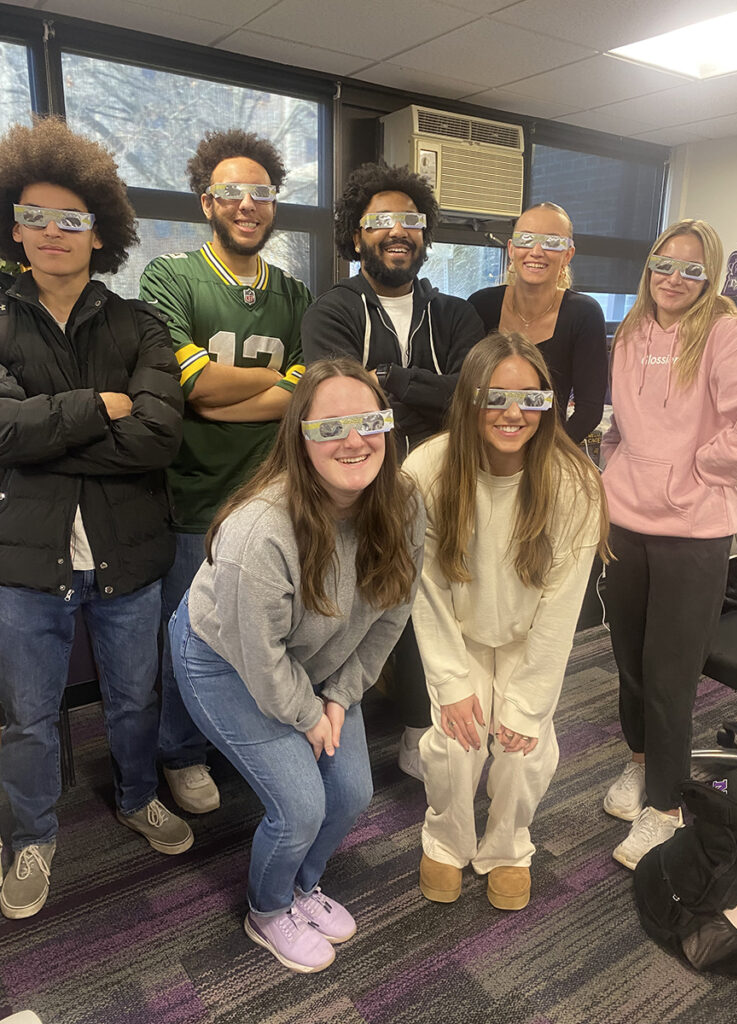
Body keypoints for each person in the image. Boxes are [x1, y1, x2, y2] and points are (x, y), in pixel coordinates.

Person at [168, 358, 425, 973]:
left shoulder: (404, 504)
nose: (354, 440)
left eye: (369, 421)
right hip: (225, 660)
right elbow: (258, 656)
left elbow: (392, 614)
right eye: (330, 426)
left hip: (318, 659)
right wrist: (309, 715)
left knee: (353, 793)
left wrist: (340, 695)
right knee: (301, 805)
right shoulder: (261, 531)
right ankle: (268, 908)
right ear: (299, 435)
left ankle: (303, 887)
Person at [0, 117, 189, 920]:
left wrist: (44, 436)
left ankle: (139, 794)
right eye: (37, 216)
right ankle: (30, 838)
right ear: (14, 226)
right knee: (27, 715)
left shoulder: (140, 323)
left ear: (100, 231)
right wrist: (97, 406)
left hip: (127, 552)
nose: (53, 232)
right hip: (25, 561)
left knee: (135, 701)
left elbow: (157, 436)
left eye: (72, 219)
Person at [404, 332, 609, 910]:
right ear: (469, 398)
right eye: (496, 398)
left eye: (531, 400)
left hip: (527, 641)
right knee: (455, 742)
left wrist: (528, 700)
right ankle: (446, 840)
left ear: (550, 404)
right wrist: (450, 681)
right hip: (459, 634)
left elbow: (562, 608)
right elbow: (427, 588)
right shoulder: (429, 467)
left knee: (523, 748)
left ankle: (507, 848)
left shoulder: (574, 483)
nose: (514, 414)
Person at [139, 130, 311, 815]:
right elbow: (192, 388)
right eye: (232, 192)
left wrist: (221, 389)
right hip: (193, 502)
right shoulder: (170, 277)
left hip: (273, 500)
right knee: (189, 636)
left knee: (268, 632)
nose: (248, 204)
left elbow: (299, 396)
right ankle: (182, 754)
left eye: (262, 192)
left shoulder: (296, 295)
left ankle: (248, 740)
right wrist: (268, 384)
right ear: (206, 202)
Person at [302, 162, 484, 779]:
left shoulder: (457, 314)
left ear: (425, 236)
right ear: (356, 237)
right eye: (380, 221)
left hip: (442, 488)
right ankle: (323, 722)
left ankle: (416, 728)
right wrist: (424, 396)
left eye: (410, 220)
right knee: (352, 609)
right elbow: (339, 404)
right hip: (357, 494)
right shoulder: (331, 311)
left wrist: (388, 380)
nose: (397, 231)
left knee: (432, 608)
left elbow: (473, 395)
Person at [601, 219, 737, 870]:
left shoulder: (726, 333)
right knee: (629, 663)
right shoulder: (633, 330)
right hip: (625, 521)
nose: (674, 279)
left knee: (669, 677)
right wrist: (613, 467)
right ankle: (642, 765)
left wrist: (706, 467)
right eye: (664, 264)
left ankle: (667, 807)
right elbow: (621, 419)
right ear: (649, 266)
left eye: (692, 270)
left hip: (692, 535)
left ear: (711, 278)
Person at [468, 202, 608, 444]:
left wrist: (549, 455)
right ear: (511, 249)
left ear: (568, 255)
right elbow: (465, 392)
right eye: (526, 239)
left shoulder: (584, 314)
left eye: (552, 242)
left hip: (549, 451)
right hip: (483, 448)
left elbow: (589, 410)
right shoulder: (480, 306)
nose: (536, 250)